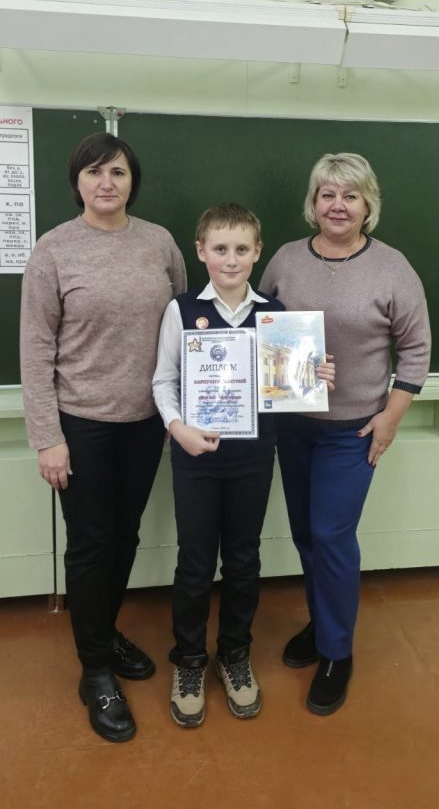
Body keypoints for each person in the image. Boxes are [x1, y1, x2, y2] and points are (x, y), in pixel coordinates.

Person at [20, 132, 186, 743]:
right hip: (81, 424)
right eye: (93, 172)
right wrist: (48, 437)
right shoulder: (53, 250)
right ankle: (94, 671)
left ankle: (104, 631)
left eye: (117, 171)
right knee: (91, 545)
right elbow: (35, 349)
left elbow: (184, 323)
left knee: (124, 535)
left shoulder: (160, 243)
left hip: (146, 420)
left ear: (132, 180)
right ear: (77, 182)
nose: (106, 182)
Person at [259, 152, 431, 716]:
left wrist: (391, 416)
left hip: (353, 432)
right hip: (292, 426)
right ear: (313, 203)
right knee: (307, 535)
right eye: (327, 194)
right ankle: (321, 622)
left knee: (331, 535)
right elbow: (260, 328)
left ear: (367, 205)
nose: (338, 205)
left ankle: (337, 652)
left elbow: (416, 348)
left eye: (350, 196)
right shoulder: (285, 259)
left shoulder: (392, 267)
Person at [152, 202, 336, 728]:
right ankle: (190, 660)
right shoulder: (181, 310)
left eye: (240, 249)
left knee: (242, 559)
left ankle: (234, 654)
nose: (229, 259)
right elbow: (163, 380)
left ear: (257, 252)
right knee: (194, 562)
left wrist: (314, 375)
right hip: (195, 457)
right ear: (201, 251)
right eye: (219, 248)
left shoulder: (274, 314)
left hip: (253, 457)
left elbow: (289, 387)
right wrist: (178, 428)